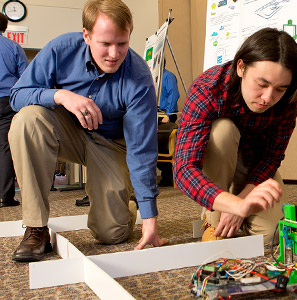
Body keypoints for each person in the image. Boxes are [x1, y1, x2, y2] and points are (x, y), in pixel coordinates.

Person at [9, 0, 167, 262]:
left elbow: (142, 150)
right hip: (67, 129)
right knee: (27, 120)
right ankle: (36, 228)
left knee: (112, 233)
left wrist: (149, 219)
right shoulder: (60, 49)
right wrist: (60, 95)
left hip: (110, 143)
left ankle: (121, 202)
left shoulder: (138, 77)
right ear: (86, 35)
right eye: (105, 44)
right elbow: (17, 96)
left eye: (122, 44)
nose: (114, 54)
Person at [174, 28, 297, 243]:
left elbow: (271, 158)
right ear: (241, 67)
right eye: (261, 84)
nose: (268, 97)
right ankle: (214, 216)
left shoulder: (287, 102)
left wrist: (242, 201)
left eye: (280, 89)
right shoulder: (207, 89)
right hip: (218, 159)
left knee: (269, 236)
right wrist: (233, 205)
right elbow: (183, 169)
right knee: (223, 131)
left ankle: (233, 205)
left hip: (252, 166)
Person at [0, 13, 27, 208]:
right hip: (7, 101)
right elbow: (25, 78)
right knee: (5, 148)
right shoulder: (13, 47)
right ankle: (5, 196)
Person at [157, 60, 180, 186]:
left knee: (165, 146)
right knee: (156, 146)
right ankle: (166, 175)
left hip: (166, 115)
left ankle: (169, 175)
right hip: (156, 114)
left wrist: (168, 114)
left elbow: (174, 94)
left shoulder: (168, 76)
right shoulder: (153, 78)